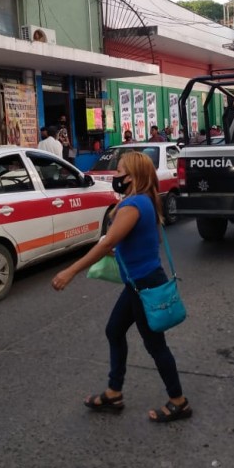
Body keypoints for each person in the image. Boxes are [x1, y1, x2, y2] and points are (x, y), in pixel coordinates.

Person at [51, 152, 191, 423]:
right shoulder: (146, 201)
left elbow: (105, 244)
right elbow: (150, 242)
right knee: (114, 330)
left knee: (155, 345)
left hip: (144, 284)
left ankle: (178, 401)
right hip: (139, 282)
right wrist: (126, 251)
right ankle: (114, 392)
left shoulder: (134, 204)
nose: (116, 176)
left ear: (133, 176)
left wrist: (70, 272)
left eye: (120, 171)